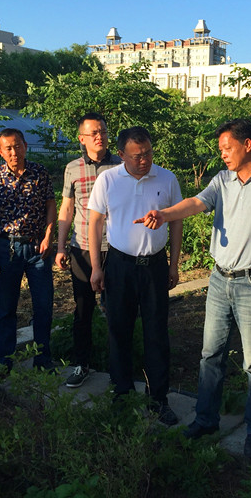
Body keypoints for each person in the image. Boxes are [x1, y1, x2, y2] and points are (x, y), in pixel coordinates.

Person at [136, 118, 251, 460]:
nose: (222, 153)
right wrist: (164, 214)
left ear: (247, 145)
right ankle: (206, 419)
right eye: (220, 149)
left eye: (227, 147)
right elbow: (196, 203)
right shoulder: (222, 180)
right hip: (220, 279)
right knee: (211, 355)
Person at [88, 126, 182, 424]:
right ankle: (122, 395)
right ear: (121, 154)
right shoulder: (108, 180)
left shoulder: (166, 178)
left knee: (157, 333)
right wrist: (96, 267)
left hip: (155, 265)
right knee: (119, 331)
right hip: (120, 266)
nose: (144, 160)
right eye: (137, 156)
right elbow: (95, 223)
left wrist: (174, 265)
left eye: (148, 153)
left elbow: (177, 222)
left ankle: (158, 399)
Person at [55, 113, 121, 388]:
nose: (100, 136)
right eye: (93, 133)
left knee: (117, 310)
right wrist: (60, 247)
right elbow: (67, 209)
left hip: (116, 248)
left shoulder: (121, 165)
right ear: (82, 138)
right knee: (83, 310)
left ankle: (119, 370)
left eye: (103, 131)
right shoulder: (72, 169)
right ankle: (81, 364)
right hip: (81, 248)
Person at [0, 128, 56, 371]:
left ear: (25, 146)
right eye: (8, 148)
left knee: (43, 305)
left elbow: (51, 205)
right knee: (6, 308)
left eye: (18, 146)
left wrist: (49, 236)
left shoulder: (39, 173)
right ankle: (4, 362)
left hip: (37, 248)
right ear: (0, 152)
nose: (14, 152)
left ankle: (43, 361)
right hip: (7, 247)